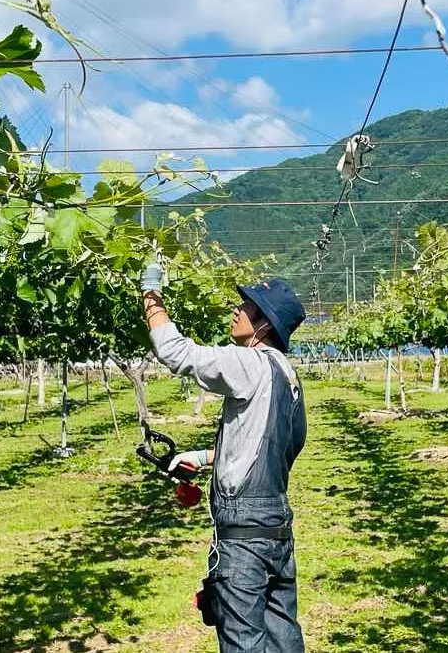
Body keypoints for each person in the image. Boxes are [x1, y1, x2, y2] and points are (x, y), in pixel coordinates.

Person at [141, 264, 308, 653]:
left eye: (247, 305)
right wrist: (200, 457)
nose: (237, 309)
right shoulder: (287, 375)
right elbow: (270, 447)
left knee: (243, 644)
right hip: (276, 530)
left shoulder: (247, 362)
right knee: (284, 641)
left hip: (243, 540)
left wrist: (151, 294)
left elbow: (176, 352)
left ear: (265, 324)